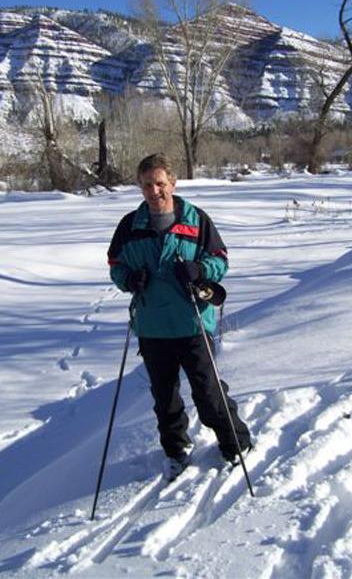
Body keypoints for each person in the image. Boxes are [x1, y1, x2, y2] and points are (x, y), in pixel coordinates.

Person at [107, 153, 251, 478]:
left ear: (172, 182)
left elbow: (221, 259)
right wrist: (130, 280)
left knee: (209, 392)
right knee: (165, 398)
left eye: (160, 183)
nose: (154, 191)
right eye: (147, 185)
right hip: (152, 326)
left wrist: (200, 268)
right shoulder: (130, 226)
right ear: (140, 187)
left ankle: (236, 443)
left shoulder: (195, 219)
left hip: (192, 322)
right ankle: (176, 450)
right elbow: (116, 266)